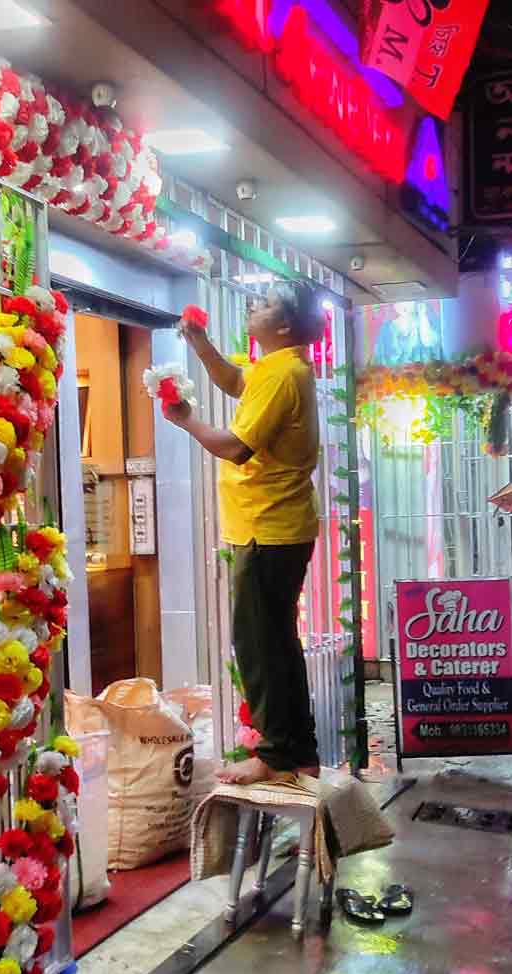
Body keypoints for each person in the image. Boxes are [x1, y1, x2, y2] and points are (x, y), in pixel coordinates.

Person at [168, 281, 325, 785]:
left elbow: (236, 447)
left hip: (269, 528)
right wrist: (201, 345)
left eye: (265, 304)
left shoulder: (283, 374)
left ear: (283, 325)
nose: (252, 306)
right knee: (276, 641)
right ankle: (297, 750)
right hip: (273, 525)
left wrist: (186, 420)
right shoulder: (278, 367)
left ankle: (277, 753)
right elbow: (235, 381)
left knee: (259, 644)